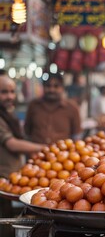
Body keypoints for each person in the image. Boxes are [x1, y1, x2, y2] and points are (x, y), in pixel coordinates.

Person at [0, 72, 44, 236]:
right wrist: (43, 147)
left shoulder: (7, 114)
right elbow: (11, 144)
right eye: (4, 92)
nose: (10, 96)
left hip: (10, 179)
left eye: (12, 91)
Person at [24, 73, 82, 144]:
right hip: (36, 153)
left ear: (62, 88)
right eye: (48, 86)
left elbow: (76, 136)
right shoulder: (33, 105)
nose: (52, 90)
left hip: (62, 153)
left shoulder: (72, 108)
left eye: (56, 86)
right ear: (43, 87)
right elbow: (27, 132)